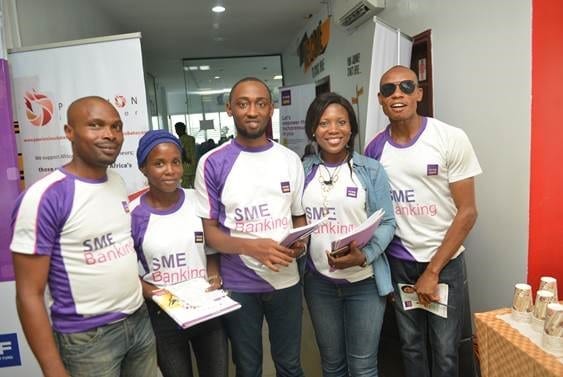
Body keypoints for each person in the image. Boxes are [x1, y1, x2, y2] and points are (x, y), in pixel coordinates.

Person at [10, 96, 157, 377]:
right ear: (69, 132)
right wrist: (53, 369)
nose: (110, 135)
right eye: (96, 125)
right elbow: (28, 293)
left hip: (138, 321)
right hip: (89, 339)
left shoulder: (117, 182)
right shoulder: (45, 197)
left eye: (116, 127)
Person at [364, 65, 482, 377]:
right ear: (380, 99)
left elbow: (468, 211)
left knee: (445, 350)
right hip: (400, 262)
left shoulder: (449, 138)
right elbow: (373, 212)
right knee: (411, 346)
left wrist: (433, 270)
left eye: (406, 86)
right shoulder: (374, 148)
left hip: (443, 263)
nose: (397, 94)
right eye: (389, 90)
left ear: (419, 93)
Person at [194, 77, 307, 377]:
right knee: (247, 367)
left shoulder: (289, 160)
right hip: (238, 284)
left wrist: (301, 243)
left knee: (290, 365)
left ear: (270, 109)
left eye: (260, 103)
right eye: (243, 104)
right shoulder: (211, 163)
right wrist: (251, 247)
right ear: (230, 109)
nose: (252, 111)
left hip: (286, 281)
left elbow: (298, 218)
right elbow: (211, 232)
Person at [301, 92, 396, 376]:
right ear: (313, 130)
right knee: (332, 364)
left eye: (341, 122)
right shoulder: (302, 170)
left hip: (363, 283)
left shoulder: (370, 169)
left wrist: (364, 256)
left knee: (363, 365)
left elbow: (388, 222)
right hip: (319, 284)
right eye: (324, 123)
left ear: (351, 128)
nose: (333, 130)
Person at [130, 130, 228, 377]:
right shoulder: (132, 214)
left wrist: (214, 276)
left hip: (205, 307)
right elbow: (126, 272)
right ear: (143, 168)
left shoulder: (198, 200)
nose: (170, 170)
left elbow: (211, 247)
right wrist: (156, 294)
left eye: (175, 162)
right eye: (159, 163)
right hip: (164, 314)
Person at [174, 122, 197, 188]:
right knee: (195, 187)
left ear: (180, 130)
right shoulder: (192, 138)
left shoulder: (179, 140)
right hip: (194, 166)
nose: (176, 132)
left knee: (185, 188)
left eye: (177, 130)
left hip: (185, 167)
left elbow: (182, 152)